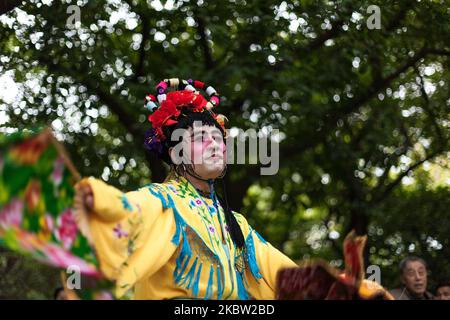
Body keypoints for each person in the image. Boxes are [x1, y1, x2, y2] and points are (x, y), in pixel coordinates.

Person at [73, 78, 389, 300]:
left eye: (217, 138)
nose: (214, 144)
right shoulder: (162, 200)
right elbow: (127, 211)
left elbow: (285, 275)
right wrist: (97, 200)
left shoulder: (236, 224)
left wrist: (341, 287)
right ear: (175, 153)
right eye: (200, 138)